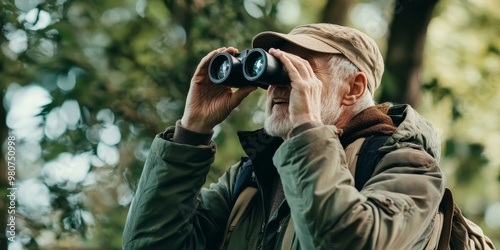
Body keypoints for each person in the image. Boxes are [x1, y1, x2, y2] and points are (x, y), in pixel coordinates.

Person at [122, 23, 444, 250]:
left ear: (354, 89)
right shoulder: (253, 176)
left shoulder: (408, 166)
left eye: (297, 71)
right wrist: (191, 132)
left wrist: (307, 126)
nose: (277, 86)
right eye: (275, 70)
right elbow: (151, 243)